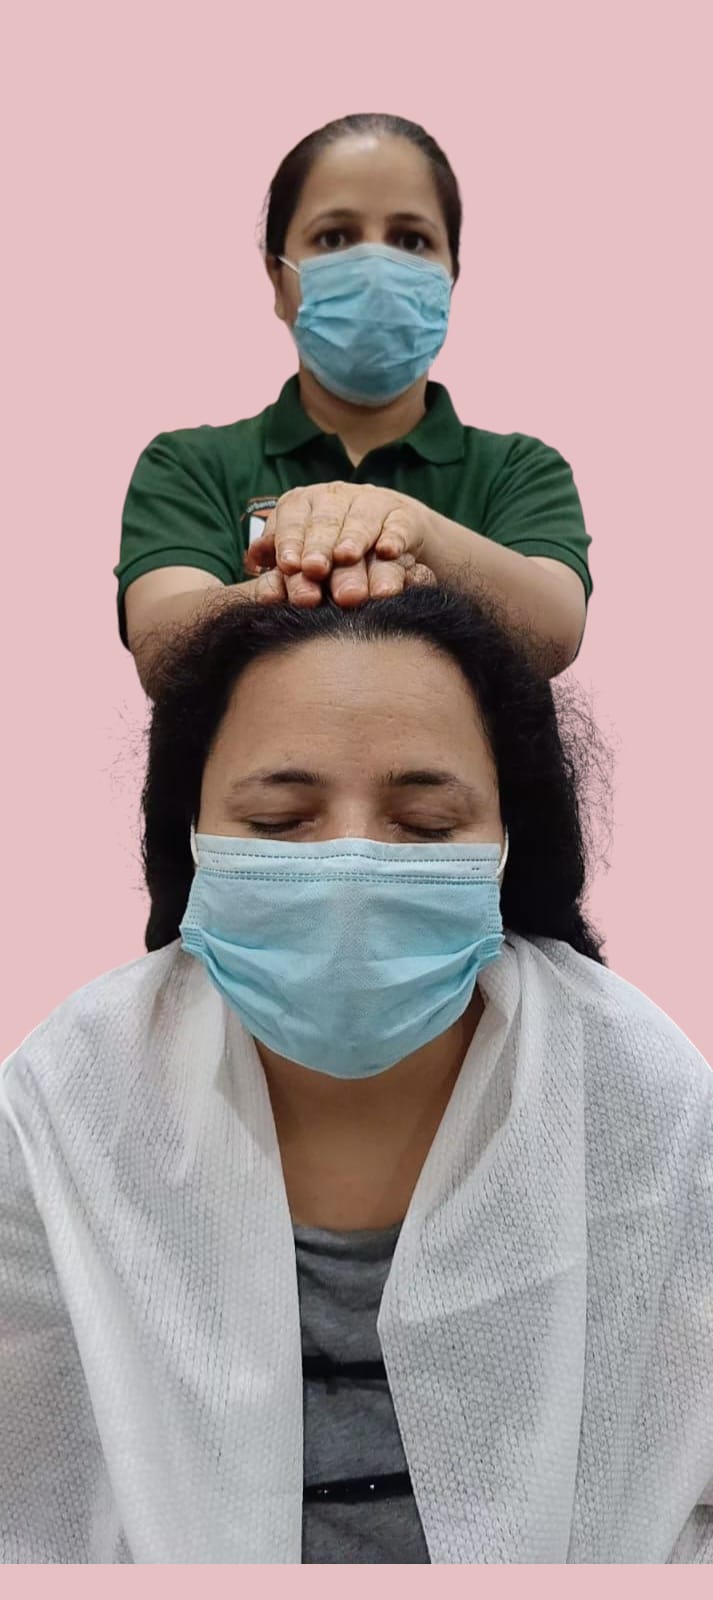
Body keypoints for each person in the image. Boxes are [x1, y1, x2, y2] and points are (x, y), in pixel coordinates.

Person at [1, 587, 711, 1565]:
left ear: (508, 840)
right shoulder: (67, 1105)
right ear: (192, 833)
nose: (348, 871)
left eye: (424, 823)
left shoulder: (642, 1100)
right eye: (280, 819)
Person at [116, 112, 592, 699]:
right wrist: (380, 573)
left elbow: (553, 631)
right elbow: (164, 645)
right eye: (335, 237)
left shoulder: (520, 470)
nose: (375, 270)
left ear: (450, 279)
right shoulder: (191, 464)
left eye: (411, 240)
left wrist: (414, 528)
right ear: (278, 280)